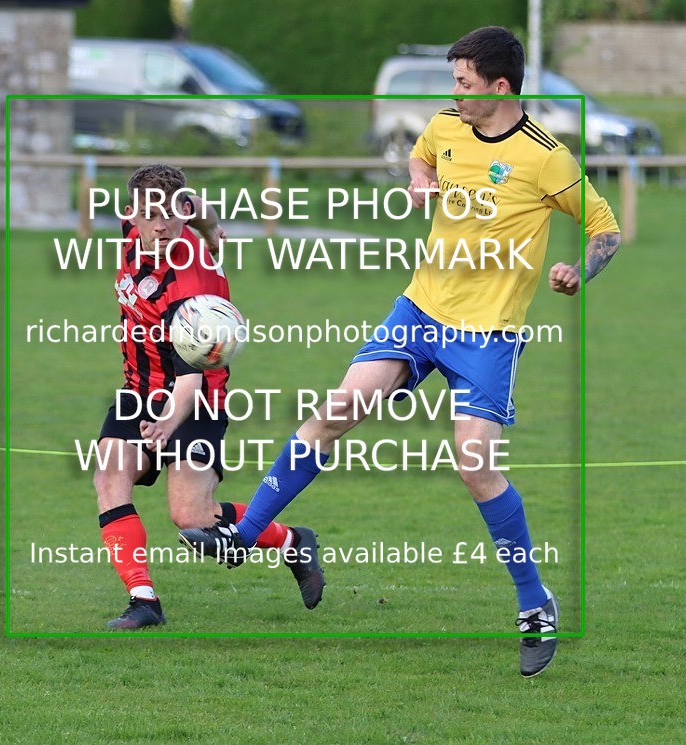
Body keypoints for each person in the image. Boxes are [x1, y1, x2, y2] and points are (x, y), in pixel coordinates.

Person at [179, 27, 620, 676]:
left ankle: (535, 602)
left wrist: (579, 271)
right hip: (418, 311)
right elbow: (422, 155)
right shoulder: (446, 125)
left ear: (500, 87)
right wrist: (419, 180)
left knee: (475, 466)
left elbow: (604, 227)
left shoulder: (545, 157)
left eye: (465, 83)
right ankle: (244, 536)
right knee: (337, 409)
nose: (455, 93)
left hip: (487, 334)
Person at [95, 164, 325, 630]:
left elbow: (190, 383)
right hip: (138, 389)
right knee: (109, 478)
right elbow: (197, 205)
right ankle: (144, 601)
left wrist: (165, 424)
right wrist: (209, 225)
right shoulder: (138, 230)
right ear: (131, 213)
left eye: (170, 215)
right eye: (149, 214)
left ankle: (291, 541)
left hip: (196, 402)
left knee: (191, 515)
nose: (161, 226)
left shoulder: (190, 287)